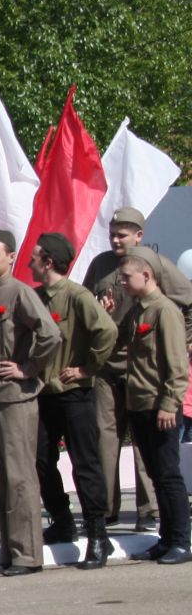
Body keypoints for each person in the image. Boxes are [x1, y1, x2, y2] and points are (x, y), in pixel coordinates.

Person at [85, 206, 188, 530]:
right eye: (113, 233)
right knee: (105, 436)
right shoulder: (101, 264)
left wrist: (182, 340)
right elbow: (87, 308)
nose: (116, 239)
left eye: (123, 234)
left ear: (139, 236)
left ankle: (150, 511)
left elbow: (186, 302)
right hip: (107, 367)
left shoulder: (154, 266)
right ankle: (106, 509)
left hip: (142, 369)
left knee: (147, 446)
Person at [0, 231, 62, 576]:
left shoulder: (19, 292)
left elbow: (50, 334)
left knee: (19, 478)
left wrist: (27, 368)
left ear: (11, 257)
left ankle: (27, 554)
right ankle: (10, 550)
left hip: (15, 397)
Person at [29, 232, 118, 567]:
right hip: (45, 393)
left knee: (86, 464)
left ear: (48, 261)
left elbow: (107, 332)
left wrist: (86, 369)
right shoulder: (35, 297)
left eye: (35, 257)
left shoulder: (76, 295)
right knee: (40, 460)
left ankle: (98, 535)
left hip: (75, 394)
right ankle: (63, 521)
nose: (29, 263)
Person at [115, 255, 190, 564]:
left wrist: (170, 404)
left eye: (126, 277)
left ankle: (182, 541)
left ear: (146, 275)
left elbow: (176, 365)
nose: (122, 282)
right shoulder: (136, 312)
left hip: (160, 406)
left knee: (169, 475)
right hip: (140, 404)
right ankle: (166, 538)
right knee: (157, 476)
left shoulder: (164, 312)